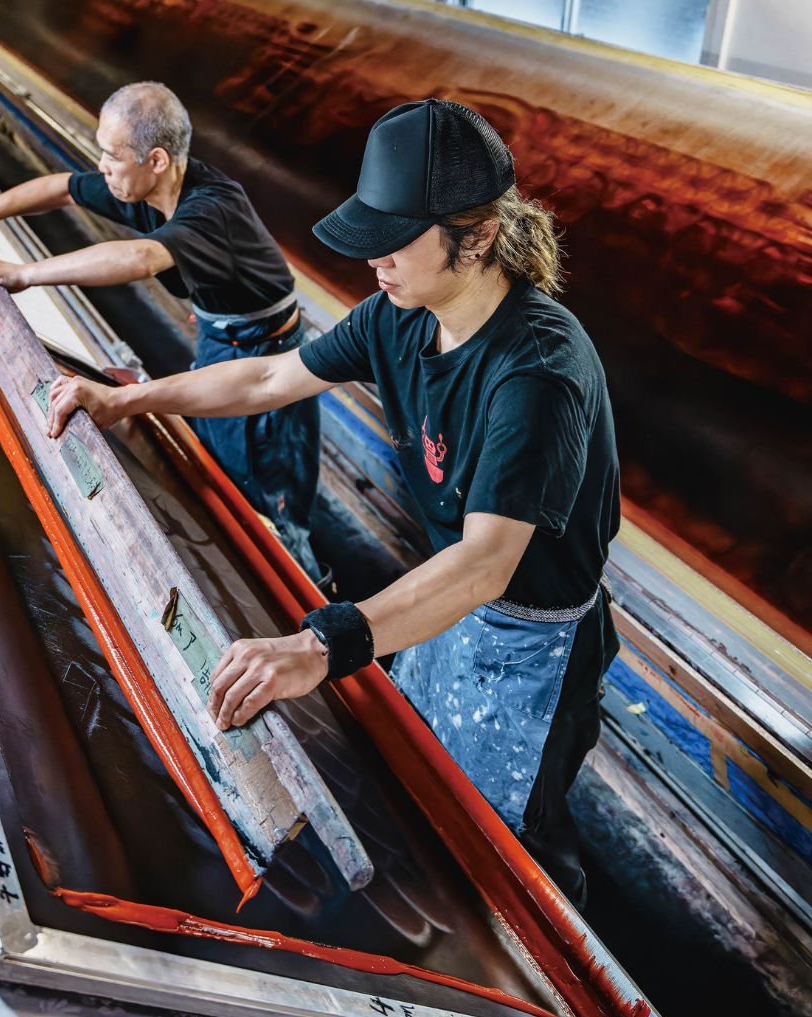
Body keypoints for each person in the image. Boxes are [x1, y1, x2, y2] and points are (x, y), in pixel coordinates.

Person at [45, 99, 620, 911]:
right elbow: (268, 377)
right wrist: (130, 402)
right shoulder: (399, 317)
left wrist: (321, 648)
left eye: (396, 241)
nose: (375, 264)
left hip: (533, 646)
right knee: (434, 789)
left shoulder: (537, 370)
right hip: (447, 602)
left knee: (516, 851)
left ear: (478, 236)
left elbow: (488, 564)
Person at [0, 81, 320, 577]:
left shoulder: (211, 209)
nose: (102, 167)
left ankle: (300, 585)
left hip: (265, 352)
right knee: (217, 461)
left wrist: (26, 272)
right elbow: (64, 187)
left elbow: (138, 258)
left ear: (156, 160)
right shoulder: (144, 185)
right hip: (221, 332)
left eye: (112, 155)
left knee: (268, 495)